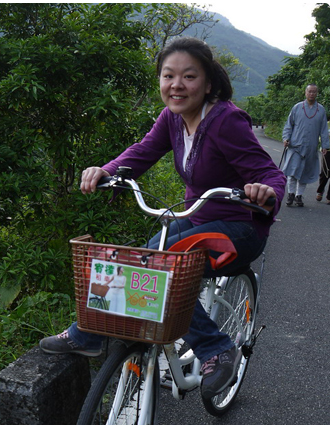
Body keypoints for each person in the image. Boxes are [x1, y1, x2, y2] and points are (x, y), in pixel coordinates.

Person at [40, 37, 286, 400]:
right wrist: (106, 170)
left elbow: (271, 174)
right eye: (168, 76)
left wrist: (266, 191)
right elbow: (143, 150)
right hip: (198, 218)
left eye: (188, 76)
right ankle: (90, 333)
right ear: (159, 81)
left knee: (163, 271)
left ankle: (215, 347)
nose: (177, 85)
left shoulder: (226, 120)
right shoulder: (171, 118)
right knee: (143, 260)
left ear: (207, 82)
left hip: (238, 228)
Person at [282, 84, 329, 207]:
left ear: (317, 93)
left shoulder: (321, 110)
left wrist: (325, 145)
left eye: (314, 92)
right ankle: (290, 194)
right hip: (295, 146)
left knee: (304, 173)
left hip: (311, 148)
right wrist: (286, 138)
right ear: (305, 93)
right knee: (292, 172)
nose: (312, 94)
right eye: (310, 91)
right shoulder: (297, 107)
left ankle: (299, 196)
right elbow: (289, 125)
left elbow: (324, 129)